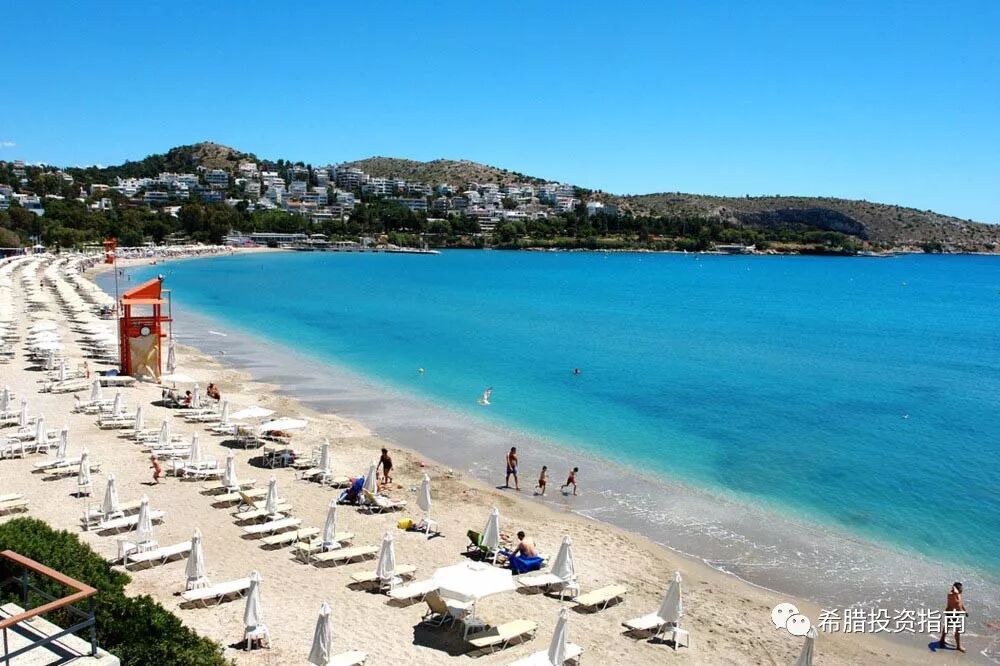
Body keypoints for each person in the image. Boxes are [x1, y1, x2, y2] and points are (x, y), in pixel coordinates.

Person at [939, 582, 967, 652]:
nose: (962, 590)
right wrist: (954, 588)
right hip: (951, 614)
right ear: (956, 589)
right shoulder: (951, 594)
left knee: (947, 627)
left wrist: (965, 610)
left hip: (956, 614)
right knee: (957, 630)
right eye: (961, 588)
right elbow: (955, 593)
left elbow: (960, 603)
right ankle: (958, 646)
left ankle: (942, 640)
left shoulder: (958, 594)